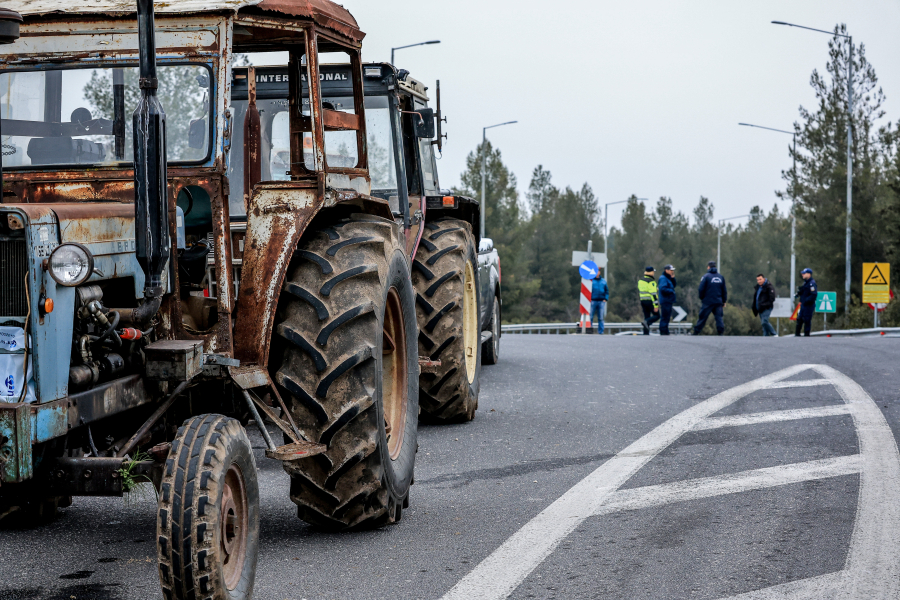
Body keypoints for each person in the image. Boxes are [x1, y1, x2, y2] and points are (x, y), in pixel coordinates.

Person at [693, 261, 727, 335]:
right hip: (718, 301)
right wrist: (724, 301)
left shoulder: (706, 276)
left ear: (708, 267)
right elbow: (724, 290)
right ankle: (721, 332)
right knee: (719, 318)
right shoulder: (721, 277)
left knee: (702, 317)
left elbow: (701, 289)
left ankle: (696, 332)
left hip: (707, 301)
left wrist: (702, 298)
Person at [794, 268, 817, 337]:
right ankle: (797, 334)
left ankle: (806, 335)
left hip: (808, 305)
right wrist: (799, 293)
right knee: (799, 319)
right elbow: (804, 291)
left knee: (807, 320)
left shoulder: (812, 283)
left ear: (809, 274)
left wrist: (806, 301)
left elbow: (813, 295)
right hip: (803, 304)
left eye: (804, 273)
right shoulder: (805, 283)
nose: (802, 274)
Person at [638, 266, 660, 335]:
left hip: (643, 301)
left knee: (646, 316)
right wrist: (656, 305)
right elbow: (653, 294)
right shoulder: (651, 281)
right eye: (653, 272)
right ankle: (646, 322)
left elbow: (643, 290)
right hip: (650, 301)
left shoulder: (641, 280)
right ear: (651, 272)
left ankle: (646, 333)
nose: (654, 273)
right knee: (657, 316)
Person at [657, 265, 677, 336]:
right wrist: (671, 291)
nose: (672, 271)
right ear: (666, 270)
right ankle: (663, 331)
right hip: (665, 300)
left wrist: (673, 278)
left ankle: (665, 330)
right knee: (665, 316)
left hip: (668, 300)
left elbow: (673, 285)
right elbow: (663, 289)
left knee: (667, 316)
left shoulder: (668, 278)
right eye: (671, 270)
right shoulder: (663, 278)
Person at [590, 270, 609, 334]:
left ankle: (601, 331)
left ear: (599, 272)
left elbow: (607, 291)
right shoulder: (591, 280)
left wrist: (605, 299)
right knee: (590, 316)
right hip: (593, 301)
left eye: (597, 271)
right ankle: (590, 330)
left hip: (601, 301)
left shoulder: (603, 281)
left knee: (601, 317)